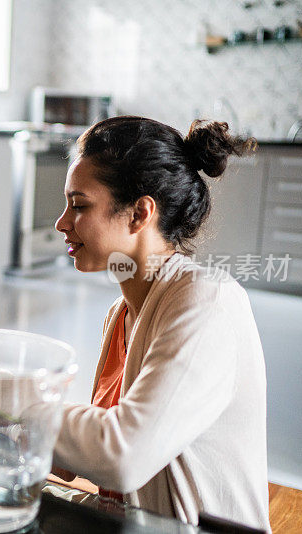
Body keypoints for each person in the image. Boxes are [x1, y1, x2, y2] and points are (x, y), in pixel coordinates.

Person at [51, 117, 270, 531]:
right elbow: (97, 459)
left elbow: (122, 456)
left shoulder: (206, 304)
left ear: (139, 213)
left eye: (79, 206)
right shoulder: (122, 314)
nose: (62, 222)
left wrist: (11, 403)